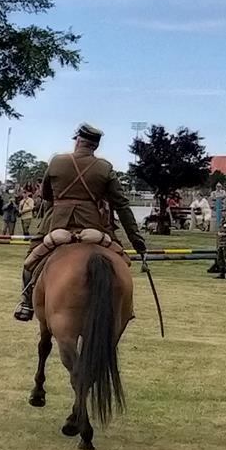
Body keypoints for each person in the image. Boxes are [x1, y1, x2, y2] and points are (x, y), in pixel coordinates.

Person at [14, 123, 147, 321]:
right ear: (95, 146)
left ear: (78, 141)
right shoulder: (104, 168)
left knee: (30, 261)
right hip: (93, 225)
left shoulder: (57, 162)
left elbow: (47, 195)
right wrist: (137, 242)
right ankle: (125, 307)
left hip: (57, 223)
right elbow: (122, 205)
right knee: (119, 260)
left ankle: (27, 302)